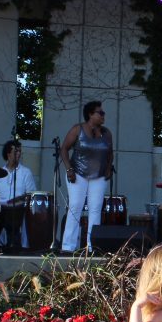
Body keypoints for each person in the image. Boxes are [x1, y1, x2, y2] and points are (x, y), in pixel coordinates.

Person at [60, 101, 113, 252]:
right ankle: (68, 247)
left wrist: (108, 168)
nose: (103, 116)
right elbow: (64, 149)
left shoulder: (107, 133)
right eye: (100, 113)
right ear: (90, 114)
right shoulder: (78, 129)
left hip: (99, 176)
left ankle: (92, 247)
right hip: (78, 174)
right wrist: (69, 169)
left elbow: (110, 153)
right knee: (75, 206)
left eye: (103, 113)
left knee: (95, 209)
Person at [0, 139, 36, 249]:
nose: (19, 154)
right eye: (16, 151)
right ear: (8, 154)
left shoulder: (26, 172)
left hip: (19, 209)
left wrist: (18, 200)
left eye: (20, 151)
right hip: (2, 209)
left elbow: (31, 195)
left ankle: (15, 245)